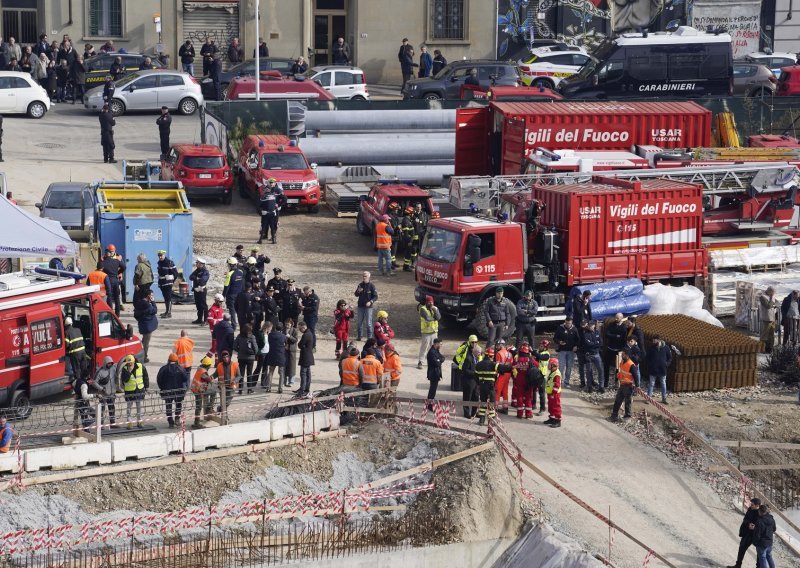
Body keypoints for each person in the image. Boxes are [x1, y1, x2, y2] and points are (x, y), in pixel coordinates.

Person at [726, 498, 761, 568]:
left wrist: (755, 527)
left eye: (752, 504)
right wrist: (748, 524)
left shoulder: (761, 512)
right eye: (751, 504)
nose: (751, 505)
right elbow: (745, 519)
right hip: (747, 533)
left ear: (757, 505)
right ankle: (738, 565)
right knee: (742, 548)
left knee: (759, 552)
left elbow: (763, 524)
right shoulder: (750, 509)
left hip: (756, 535)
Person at [157, 354, 188, 428]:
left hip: (167, 391)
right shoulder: (180, 368)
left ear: (168, 360)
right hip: (178, 391)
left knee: (168, 406)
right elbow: (185, 379)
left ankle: (170, 422)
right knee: (178, 405)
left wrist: (162, 388)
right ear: (177, 360)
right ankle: (177, 419)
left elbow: (159, 380)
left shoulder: (163, 369)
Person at [90, 356, 117, 428]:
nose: (110, 365)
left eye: (111, 363)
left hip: (111, 394)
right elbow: (94, 382)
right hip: (103, 395)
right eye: (108, 364)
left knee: (112, 408)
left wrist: (115, 390)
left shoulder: (114, 369)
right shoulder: (100, 371)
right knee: (102, 410)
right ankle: (101, 425)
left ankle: (112, 423)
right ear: (105, 363)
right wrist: (101, 389)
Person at [609, 352, 635, 422]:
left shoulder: (631, 365)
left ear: (627, 355)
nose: (622, 356)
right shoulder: (622, 362)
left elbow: (636, 376)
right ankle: (614, 415)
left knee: (628, 402)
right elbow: (620, 372)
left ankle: (627, 416)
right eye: (622, 354)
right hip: (622, 385)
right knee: (618, 400)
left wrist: (637, 386)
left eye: (624, 355)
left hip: (628, 386)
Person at [554, 317, 579, 387]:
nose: (568, 325)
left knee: (569, 367)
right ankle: (559, 381)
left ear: (572, 322)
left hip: (571, 351)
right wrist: (559, 342)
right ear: (565, 322)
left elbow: (578, 339)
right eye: (567, 323)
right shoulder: (560, 328)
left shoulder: (574, 329)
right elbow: (555, 338)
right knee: (561, 367)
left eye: (569, 323)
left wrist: (576, 346)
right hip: (562, 351)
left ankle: (566, 382)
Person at [646, 336, 672, 404]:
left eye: (654, 340)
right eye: (653, 340)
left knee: (663, 383)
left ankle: (664, 398)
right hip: (653, 369)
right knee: (651, 384)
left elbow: (669, 357)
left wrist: (666, 364)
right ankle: (648, 399)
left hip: (662, 369)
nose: (653, 342)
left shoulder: (666, 348)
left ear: (659, 340)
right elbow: (647, 358)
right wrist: (650, 365)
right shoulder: (651, 348)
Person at [233, 323, 258, 394]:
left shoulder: (239, 336)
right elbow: (256, 349)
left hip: (241, 357)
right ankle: (249, 389)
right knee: (249, 373)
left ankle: (240, 389)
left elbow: (234, 346)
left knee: (241, 373)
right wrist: (254, 353)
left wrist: (240, 351)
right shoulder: (252, 337)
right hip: (250, 358)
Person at [133, 290, 158, 363]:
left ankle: (141, 353)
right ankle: (144, 357)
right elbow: (155, 310)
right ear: (148, 296)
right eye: (152, 295)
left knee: (144, 340)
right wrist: (153, 302)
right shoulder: (147, 305)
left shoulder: (139, 303)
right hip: (148, 327)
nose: (153, 297)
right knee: (146, 343)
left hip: (142, 325)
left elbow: (136, 315)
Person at [213, 351, 240, 416]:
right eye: (224, 357)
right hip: (222, 387)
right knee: (223, 402)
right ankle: (225, 416)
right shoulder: (219, 365)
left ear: (229, 357)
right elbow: (215, 374)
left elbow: (239, 376)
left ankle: (219, 409)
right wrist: (210, 377)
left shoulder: (235, 365)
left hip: (231, 387)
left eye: (227, 357)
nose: (226, 358)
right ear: (222, 358)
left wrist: (235, 381)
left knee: (227, 402)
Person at [191, 357, 215, 427]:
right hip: (198, 390)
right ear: (208, 365)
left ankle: (198, 419)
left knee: (199, 406)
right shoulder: (203, 372)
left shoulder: (200, 368)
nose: (210, 367)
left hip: (195, 389)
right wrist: (211, 379)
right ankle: (197, 422)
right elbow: (209, 380)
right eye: (210, 366)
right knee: (199, 406)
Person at [417, 296, 441, 369]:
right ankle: (420, 362)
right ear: (426, 302)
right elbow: (427, 318)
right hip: (426, 332)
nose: (430, 303)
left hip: (434, 332)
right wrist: (434, 318)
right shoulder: (422, 309)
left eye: (431, 302)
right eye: (429, 302)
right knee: (424, 347)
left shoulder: (435, 308)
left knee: (434, 348)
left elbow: (439, 317)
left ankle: (433, 361)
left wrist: (434, 310)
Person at [257, 178, 283, 244]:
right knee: (269, 225)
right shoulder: (271, 194)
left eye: (272, 182)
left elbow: (284, 198)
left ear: (275, 183)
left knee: (271, 225)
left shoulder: (278, 190)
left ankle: (269, 238)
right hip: (271, 211)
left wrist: (279, 205)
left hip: (273, 211)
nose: (271, 184)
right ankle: (268, 237)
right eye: (270, 183)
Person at [605, 313, 627, 388]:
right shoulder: (611, 325)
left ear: (621, 318)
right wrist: (616, 336)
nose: (616, 319)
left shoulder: (624, 327)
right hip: (610, 348)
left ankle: (616, 383)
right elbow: (607, 334)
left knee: (618, 367)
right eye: (615, 317)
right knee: (606, 365)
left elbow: (623, 338)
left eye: (618, 318)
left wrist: (614, 336)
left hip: (619, 350)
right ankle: (605, 382)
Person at [354, 272, 378, 341]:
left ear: (369, 277)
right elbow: (356, 294)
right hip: (360, 306)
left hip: (369, 308)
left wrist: (370, 302)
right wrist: (358, 291)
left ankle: (369, 337)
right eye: (363, 276)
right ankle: (359, 336)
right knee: (359, 323)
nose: (364, 277)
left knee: (368, 323)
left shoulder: (372, 286)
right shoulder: (360, 285)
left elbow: (375, 296)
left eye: (365, 276)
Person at [264, 322, 287, 392]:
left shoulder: (270, 335)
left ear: (275, 327)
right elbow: (286, 344)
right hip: (281, 356)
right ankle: (280, 388)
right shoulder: (283, 336)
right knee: (281, 373)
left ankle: (268, 387)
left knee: (271, 372)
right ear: (282, 328)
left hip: (272, 355)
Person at [64, 316, 88, 383]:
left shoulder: (67, 333)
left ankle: (79, 383)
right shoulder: (78, 330)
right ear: (71, 323)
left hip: (75, 354)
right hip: (83, 352)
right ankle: (85, 381)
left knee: (77, 369)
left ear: (65, 325)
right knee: (84, 368)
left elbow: (67, 345)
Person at [582, 320, 604, 393]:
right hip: (588, 355)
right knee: (589, 371)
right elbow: (587, 344)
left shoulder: (597, 332)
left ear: (594, 325)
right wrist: (596, 343)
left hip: (596, 354)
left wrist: (594, 343)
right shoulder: (585, 334)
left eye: (592, 325)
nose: (590, 326)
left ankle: (601, 386)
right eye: (589, 325)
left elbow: (601, 343)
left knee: (600, 370)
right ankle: (589, 387)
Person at [101, 245, 125, 314]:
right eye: (110, 251)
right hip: (112, 278)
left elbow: (123, 266)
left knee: (115, 296)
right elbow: (123, 267)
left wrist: (119, 273)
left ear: (114, 251)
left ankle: (115, 313)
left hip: (115, 278)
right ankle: (113, 313)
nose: (111, 253)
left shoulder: (118, 257)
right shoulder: (104, 258)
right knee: (111, 297)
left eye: (112, 251)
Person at [461, 344, 482, 419]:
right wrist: (474, 373)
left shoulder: (477, 358)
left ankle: (474, 413)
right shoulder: (468, 359)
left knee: (476, 398)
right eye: (479, 352)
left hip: (475, 382)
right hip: (468, 382)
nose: (480, 354)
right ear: (475, 352)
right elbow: (464, 370)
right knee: (467, 397)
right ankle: (466, 413)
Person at [223, 257, 244, 329]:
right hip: (239, 294)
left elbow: (226, 286)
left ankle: (234, 325)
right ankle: (241, 324)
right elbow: (242, 284)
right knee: (239, 310)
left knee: (232, 310)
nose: (228, 266)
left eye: (228, 265)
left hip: (231, 295)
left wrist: (223, 296)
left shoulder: (229, 274)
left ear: (231, 265)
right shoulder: (241, 272)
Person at [156, 249, 178, 318]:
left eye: (161, 256)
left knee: (168, 297)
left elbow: (176, 274)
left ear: (164, 255)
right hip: (162, 283)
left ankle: (169, 313)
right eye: (159, 256)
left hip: (168, 283)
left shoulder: (169, 263)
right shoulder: (159, 263)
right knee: (165, 298)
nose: (160, 257)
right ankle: (166, 311)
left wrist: (171, 281)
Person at [759, 287, 779, 353]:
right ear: (769, 292)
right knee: (765, 334)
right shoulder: (763, 297)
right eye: (773, 293)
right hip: (766, 318)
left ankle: (770, 348)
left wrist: (773, 304)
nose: (774, 294)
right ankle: (762, 348)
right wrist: (771, 299)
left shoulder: (772, 297)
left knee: (771, 334)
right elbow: (768, 306)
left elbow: (777, 303)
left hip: (772, 318)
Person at [189, 258, 210, 324]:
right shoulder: (197, 270)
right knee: (198, 305)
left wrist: (197, 279)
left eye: (197, 263)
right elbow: (190, 277)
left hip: (202, 290)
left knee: (203, 305)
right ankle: (199, 319)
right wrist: (197, 278)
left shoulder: (205, 271)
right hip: (196, 290)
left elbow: (202, 281)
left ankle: (206, 320)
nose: (196, 264)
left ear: (201, 264)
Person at [297, 321, 314, 396]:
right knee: (308, 373)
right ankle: (306, 388)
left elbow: (300, 345)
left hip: (305, 357)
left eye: (300, 329)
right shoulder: (310, 333)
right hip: (309, 356)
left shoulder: (306, 335)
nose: (300, 330)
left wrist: (302, 346)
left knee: (303, 374)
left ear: (303, 327)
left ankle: (302, 390)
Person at [544, 359, 562, 428]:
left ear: (553, 365)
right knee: (551, 406)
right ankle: (552, 418)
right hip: (551, 393)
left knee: (556, 406)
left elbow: (557, 385)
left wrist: (553, 394)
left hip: (554, 394)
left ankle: (558, 420)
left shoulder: (556, 374)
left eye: (549, 365)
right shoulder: (552, 372)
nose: (548, 366)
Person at [284, 319, 299, 388]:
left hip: (291, 350)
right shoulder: (283, 330)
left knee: (291, 366)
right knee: (284, 365)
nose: (287, 325)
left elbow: (296, 340)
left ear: (291, 324)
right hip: (284, 350)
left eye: (288, 324)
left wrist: (289, 337)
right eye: (286, 324)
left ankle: (291, 381)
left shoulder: (294, 330)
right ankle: (284, 381)